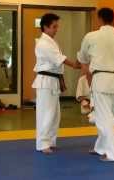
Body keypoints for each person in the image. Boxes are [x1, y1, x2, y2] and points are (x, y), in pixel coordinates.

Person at [77, 7, 114, 162]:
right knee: (108, 115)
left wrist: (85, 61)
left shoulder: (91, 36)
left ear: (99, 19)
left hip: (101, 78)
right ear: (112, 19)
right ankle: (101, 147)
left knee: (104, 118)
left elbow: (82, 57)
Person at [32, 13, 80, 154]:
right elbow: (58, 58)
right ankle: (42, 144)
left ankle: (50, 141)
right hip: (46, 81)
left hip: (53, 80)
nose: (56, 29)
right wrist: (75, 65)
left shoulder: (51, 41)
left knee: (54, 114)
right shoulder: (43, 43)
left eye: (57, 26)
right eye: (54, 26)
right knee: (45, 113)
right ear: (45, 27)